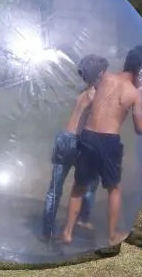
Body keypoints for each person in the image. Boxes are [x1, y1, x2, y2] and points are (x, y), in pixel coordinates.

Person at [58, 46, 142, 246]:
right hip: (108, 142)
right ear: (141, 70)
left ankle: (67, 232)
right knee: (114, 188)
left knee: (79, 187)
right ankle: (112, 235)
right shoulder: (134, 94)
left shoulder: (104, 78)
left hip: (88, 136)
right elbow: (140, 128)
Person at [41, 54, 108, 241]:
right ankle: (82, 219)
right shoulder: (95, 94)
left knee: (55, 189)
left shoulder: (83, 91)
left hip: (63, 138)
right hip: (78, 141)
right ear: (100, 73)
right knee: (89, 182)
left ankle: (47, 230)